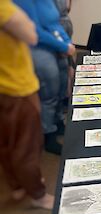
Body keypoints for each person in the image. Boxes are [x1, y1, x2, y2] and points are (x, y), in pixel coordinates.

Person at [0, 0, 54, 209]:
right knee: (27, 145)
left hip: (6, 88)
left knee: (6, 143)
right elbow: (31, 34)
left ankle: (17, 187)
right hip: (17, 88)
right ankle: (38, 194)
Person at [14, 0, 76, 155]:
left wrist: (67, 43)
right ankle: (48, 134)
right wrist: (63, 46)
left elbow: (55, 24)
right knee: (49, 92)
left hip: (56, 45)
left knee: (62, 85)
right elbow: (35, 31)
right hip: (37, 47)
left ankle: (58, 122)